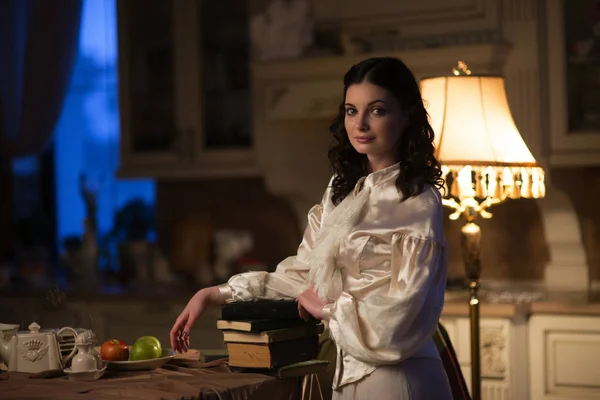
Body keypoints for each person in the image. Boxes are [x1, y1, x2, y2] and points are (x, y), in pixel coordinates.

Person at [170, 57, 453, 400]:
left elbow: (399, 316)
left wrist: (326, 308)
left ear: (407, 114)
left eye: (377, 110)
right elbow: (305, 275)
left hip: (401, 381)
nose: (360, 124)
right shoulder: (341, 189)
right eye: (351, 110)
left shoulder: (418, 201)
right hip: (347, 379)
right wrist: (214, 294)